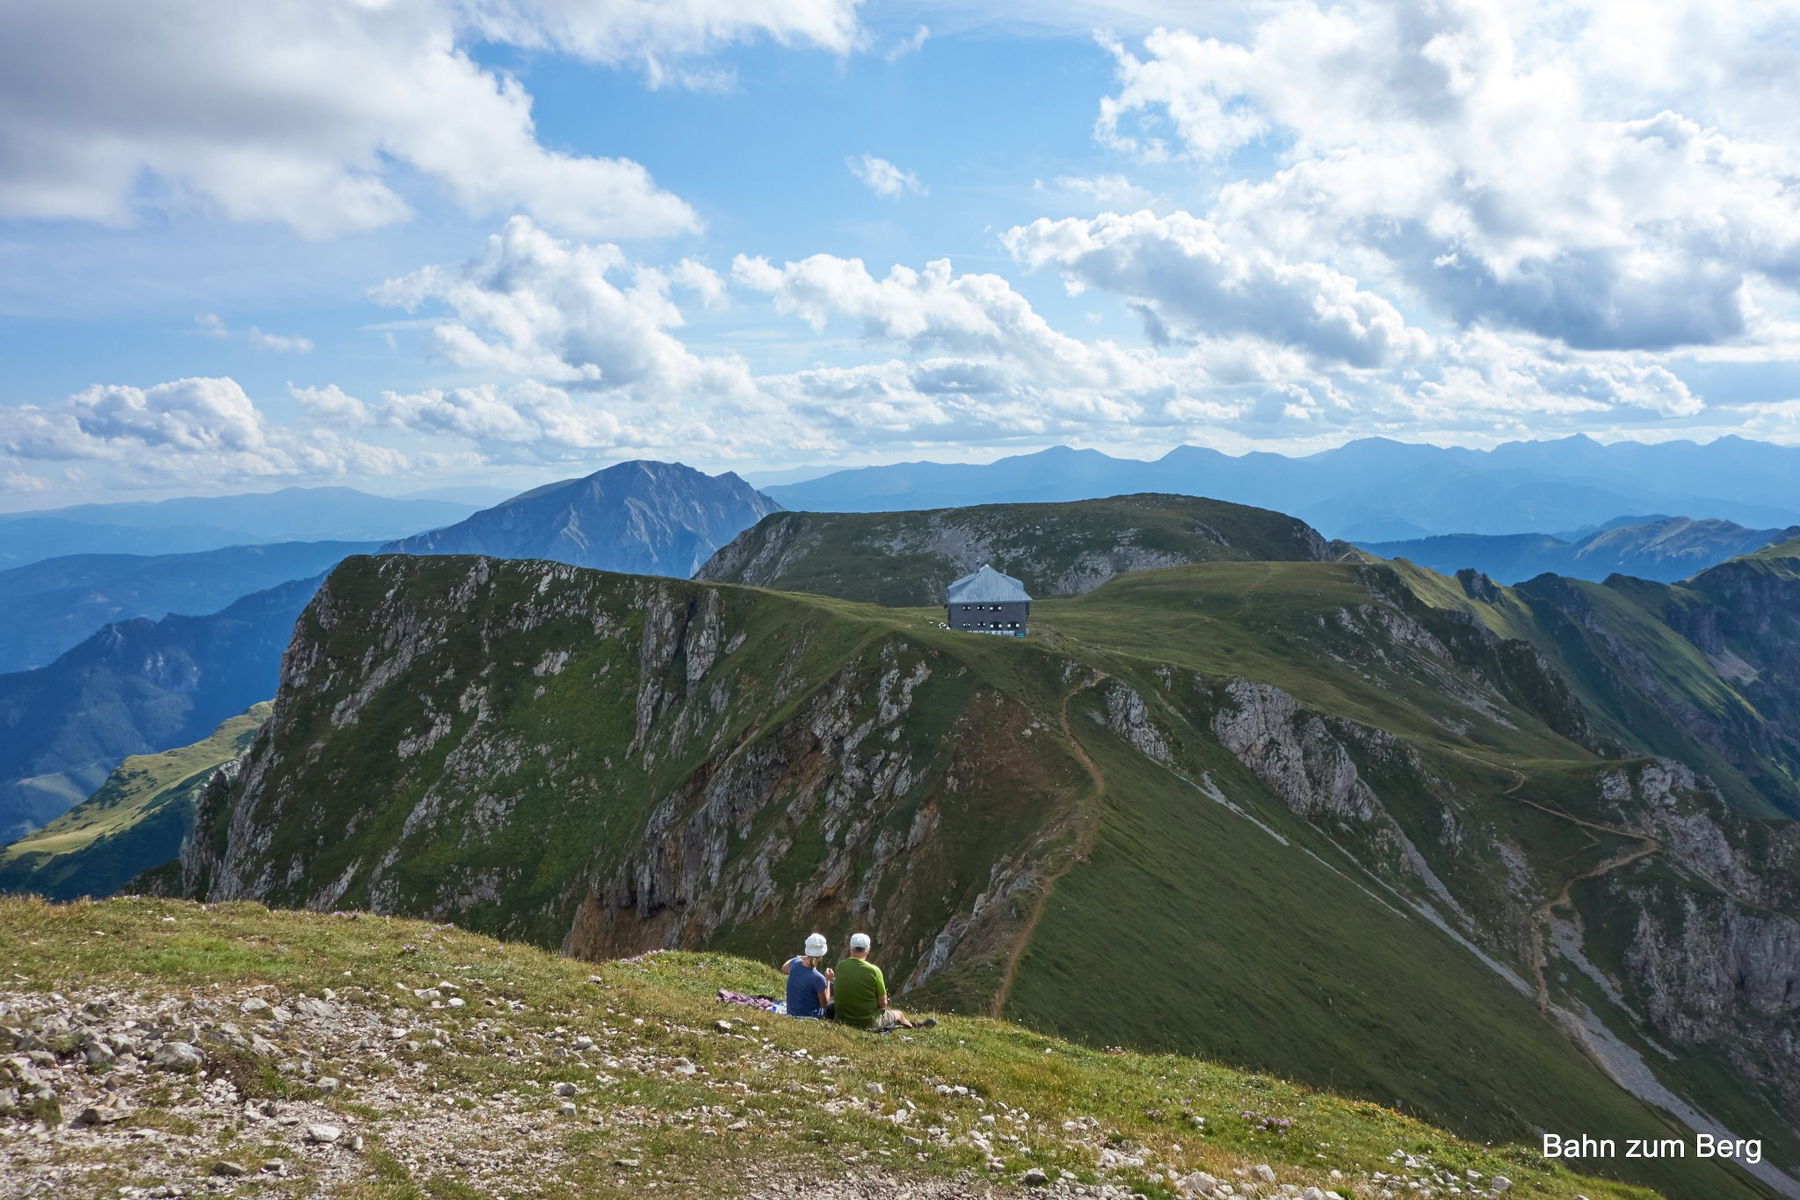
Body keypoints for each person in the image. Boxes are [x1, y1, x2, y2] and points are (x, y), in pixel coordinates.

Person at [831, 932, 934, 1031]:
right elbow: (883, 1003)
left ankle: (910, 1024)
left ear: (850, 948)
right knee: (899, 1014)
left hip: (842, 1019)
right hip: (867, 1022)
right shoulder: (874, 970)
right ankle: (914, 1027)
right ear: (868, 950)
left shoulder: (841, 965)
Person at [781, 933, 833, 1019]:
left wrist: (802, 957)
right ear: (821, 955)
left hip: (791, 1013)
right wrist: (828, 980)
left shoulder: (795, 963)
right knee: (832, 1007)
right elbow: (824, 1005)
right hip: (810, 1018)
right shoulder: (819, 978)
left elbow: (784, 968)